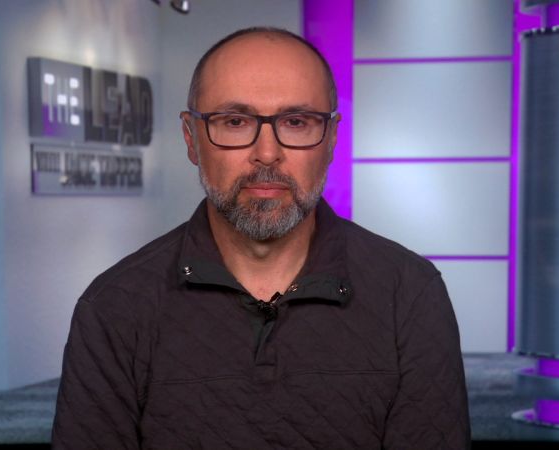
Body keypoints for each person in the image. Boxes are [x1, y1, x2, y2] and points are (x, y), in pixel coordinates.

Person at [52, 27, 470, 449]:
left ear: (331, 139)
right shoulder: (114, 306)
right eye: (235, 122)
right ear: (191, 139)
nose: (267, 154)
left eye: (296, 122)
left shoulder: (409, 292)